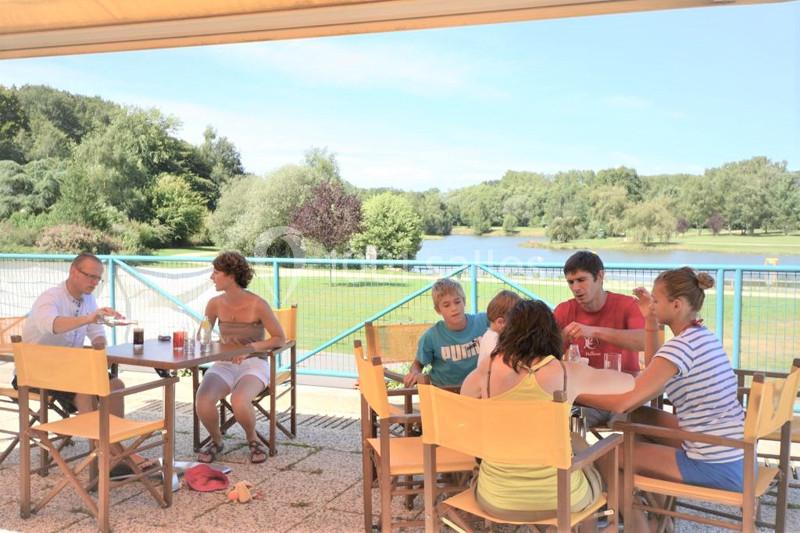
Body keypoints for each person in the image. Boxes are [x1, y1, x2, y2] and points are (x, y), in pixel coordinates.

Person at [579, 268, 745, 532]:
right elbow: (652, 372)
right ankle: (659, 515)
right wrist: (649, 321)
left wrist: (574, 394)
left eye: (656, 300)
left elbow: (625, 400)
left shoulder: (681, 347)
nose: (651, 304)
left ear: (676, 305)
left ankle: (640, 524)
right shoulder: (700, 335)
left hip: (716, 462)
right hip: (733, 448)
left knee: (604, 456)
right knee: (633, 419)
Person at [461, 299, 633, 521]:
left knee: (574, 418)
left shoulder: (487, 370)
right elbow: (628, 383)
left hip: (497, 499)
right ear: (551, 332)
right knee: (576, 424)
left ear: (508, 331)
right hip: (566, 500)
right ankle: (611, 517)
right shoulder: (567, 372)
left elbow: (465, 401)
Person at [196, 251, 285, 464]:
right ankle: (217, 441)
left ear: (231, 275)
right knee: (203, 399)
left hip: (254, 364)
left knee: (239, 399)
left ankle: (253, 440)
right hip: (225, 363)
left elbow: (279, 338)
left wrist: (250, 348)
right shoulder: (214, 303)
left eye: (216, 272)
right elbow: (204, 337)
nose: (212, 277)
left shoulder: (257, 304)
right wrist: (202, 335)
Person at [20, 252, 126, 415]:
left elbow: (96, 332)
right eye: (91, 276)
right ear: (73, 271)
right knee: (86, 387)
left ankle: (112, 438)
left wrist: (100, 353)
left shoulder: (88, 299)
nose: (95, 282)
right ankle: (98, 439)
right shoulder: (50, 297)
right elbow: (53, 325)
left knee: (115, 385)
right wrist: (88, 318)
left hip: (70, 367)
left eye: (98, 278)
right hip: (35, 370)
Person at [554, 250, 645, 372]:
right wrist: (562, 338)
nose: (575, 288)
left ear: (600, 276)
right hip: (580, 384)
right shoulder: (563, 310)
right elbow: (546, 356)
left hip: (623, 384)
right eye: (571, 282)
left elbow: (644, 341)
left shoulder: (628, 304)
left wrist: (594, 332)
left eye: (581, 280)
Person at [403, 278, 488, 388]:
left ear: (464, 301)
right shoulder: (431, 336)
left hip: (480, 391)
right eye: (446, 305)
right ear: (438, 310)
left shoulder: (483, 321)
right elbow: (417, 364)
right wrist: (414, 373)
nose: (454, 308)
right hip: (445, 394)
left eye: (457, 302)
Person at [460, 289, 521, 398]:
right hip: (485, 396)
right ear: (501, 322)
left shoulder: (491, 336)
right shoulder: (494, 341)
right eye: (517, 322)